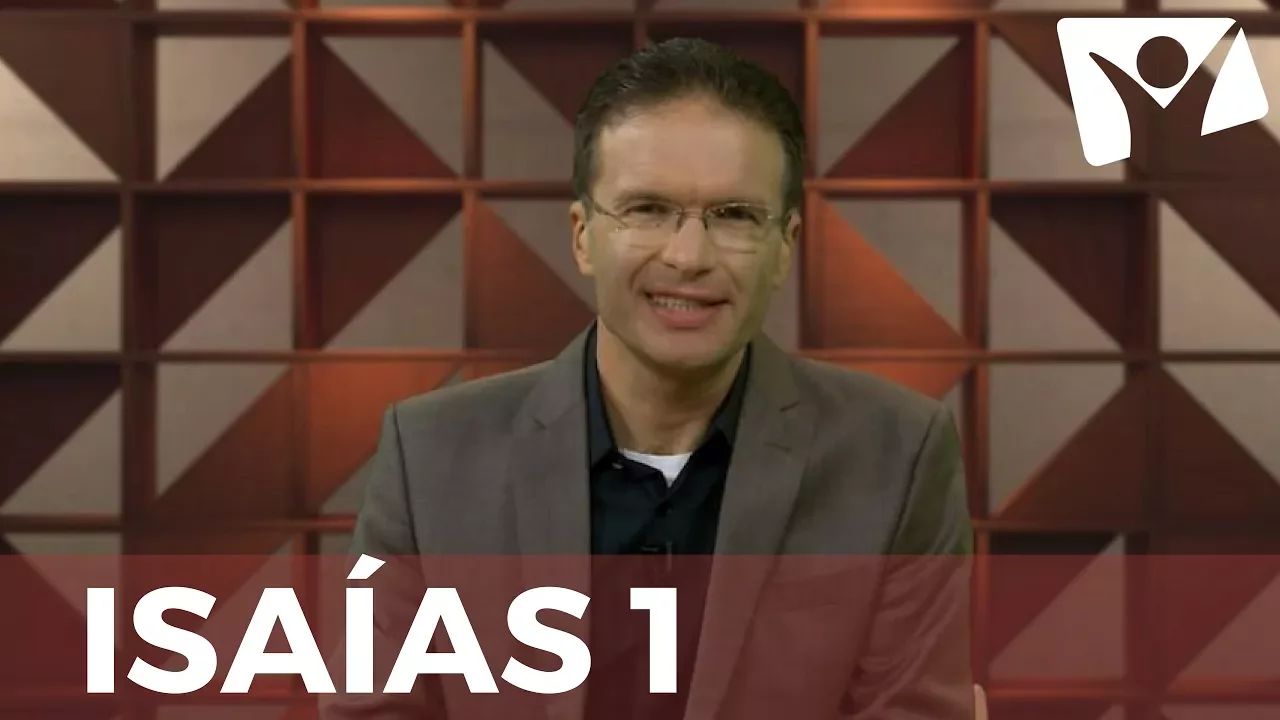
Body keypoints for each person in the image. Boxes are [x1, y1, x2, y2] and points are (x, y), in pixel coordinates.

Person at [321, 37, 974, 720]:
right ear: (582, 236)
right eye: (648, 210)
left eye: (734, 216)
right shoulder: (429, 457)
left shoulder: (898, 456)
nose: (688, 256)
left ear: (784, 246)